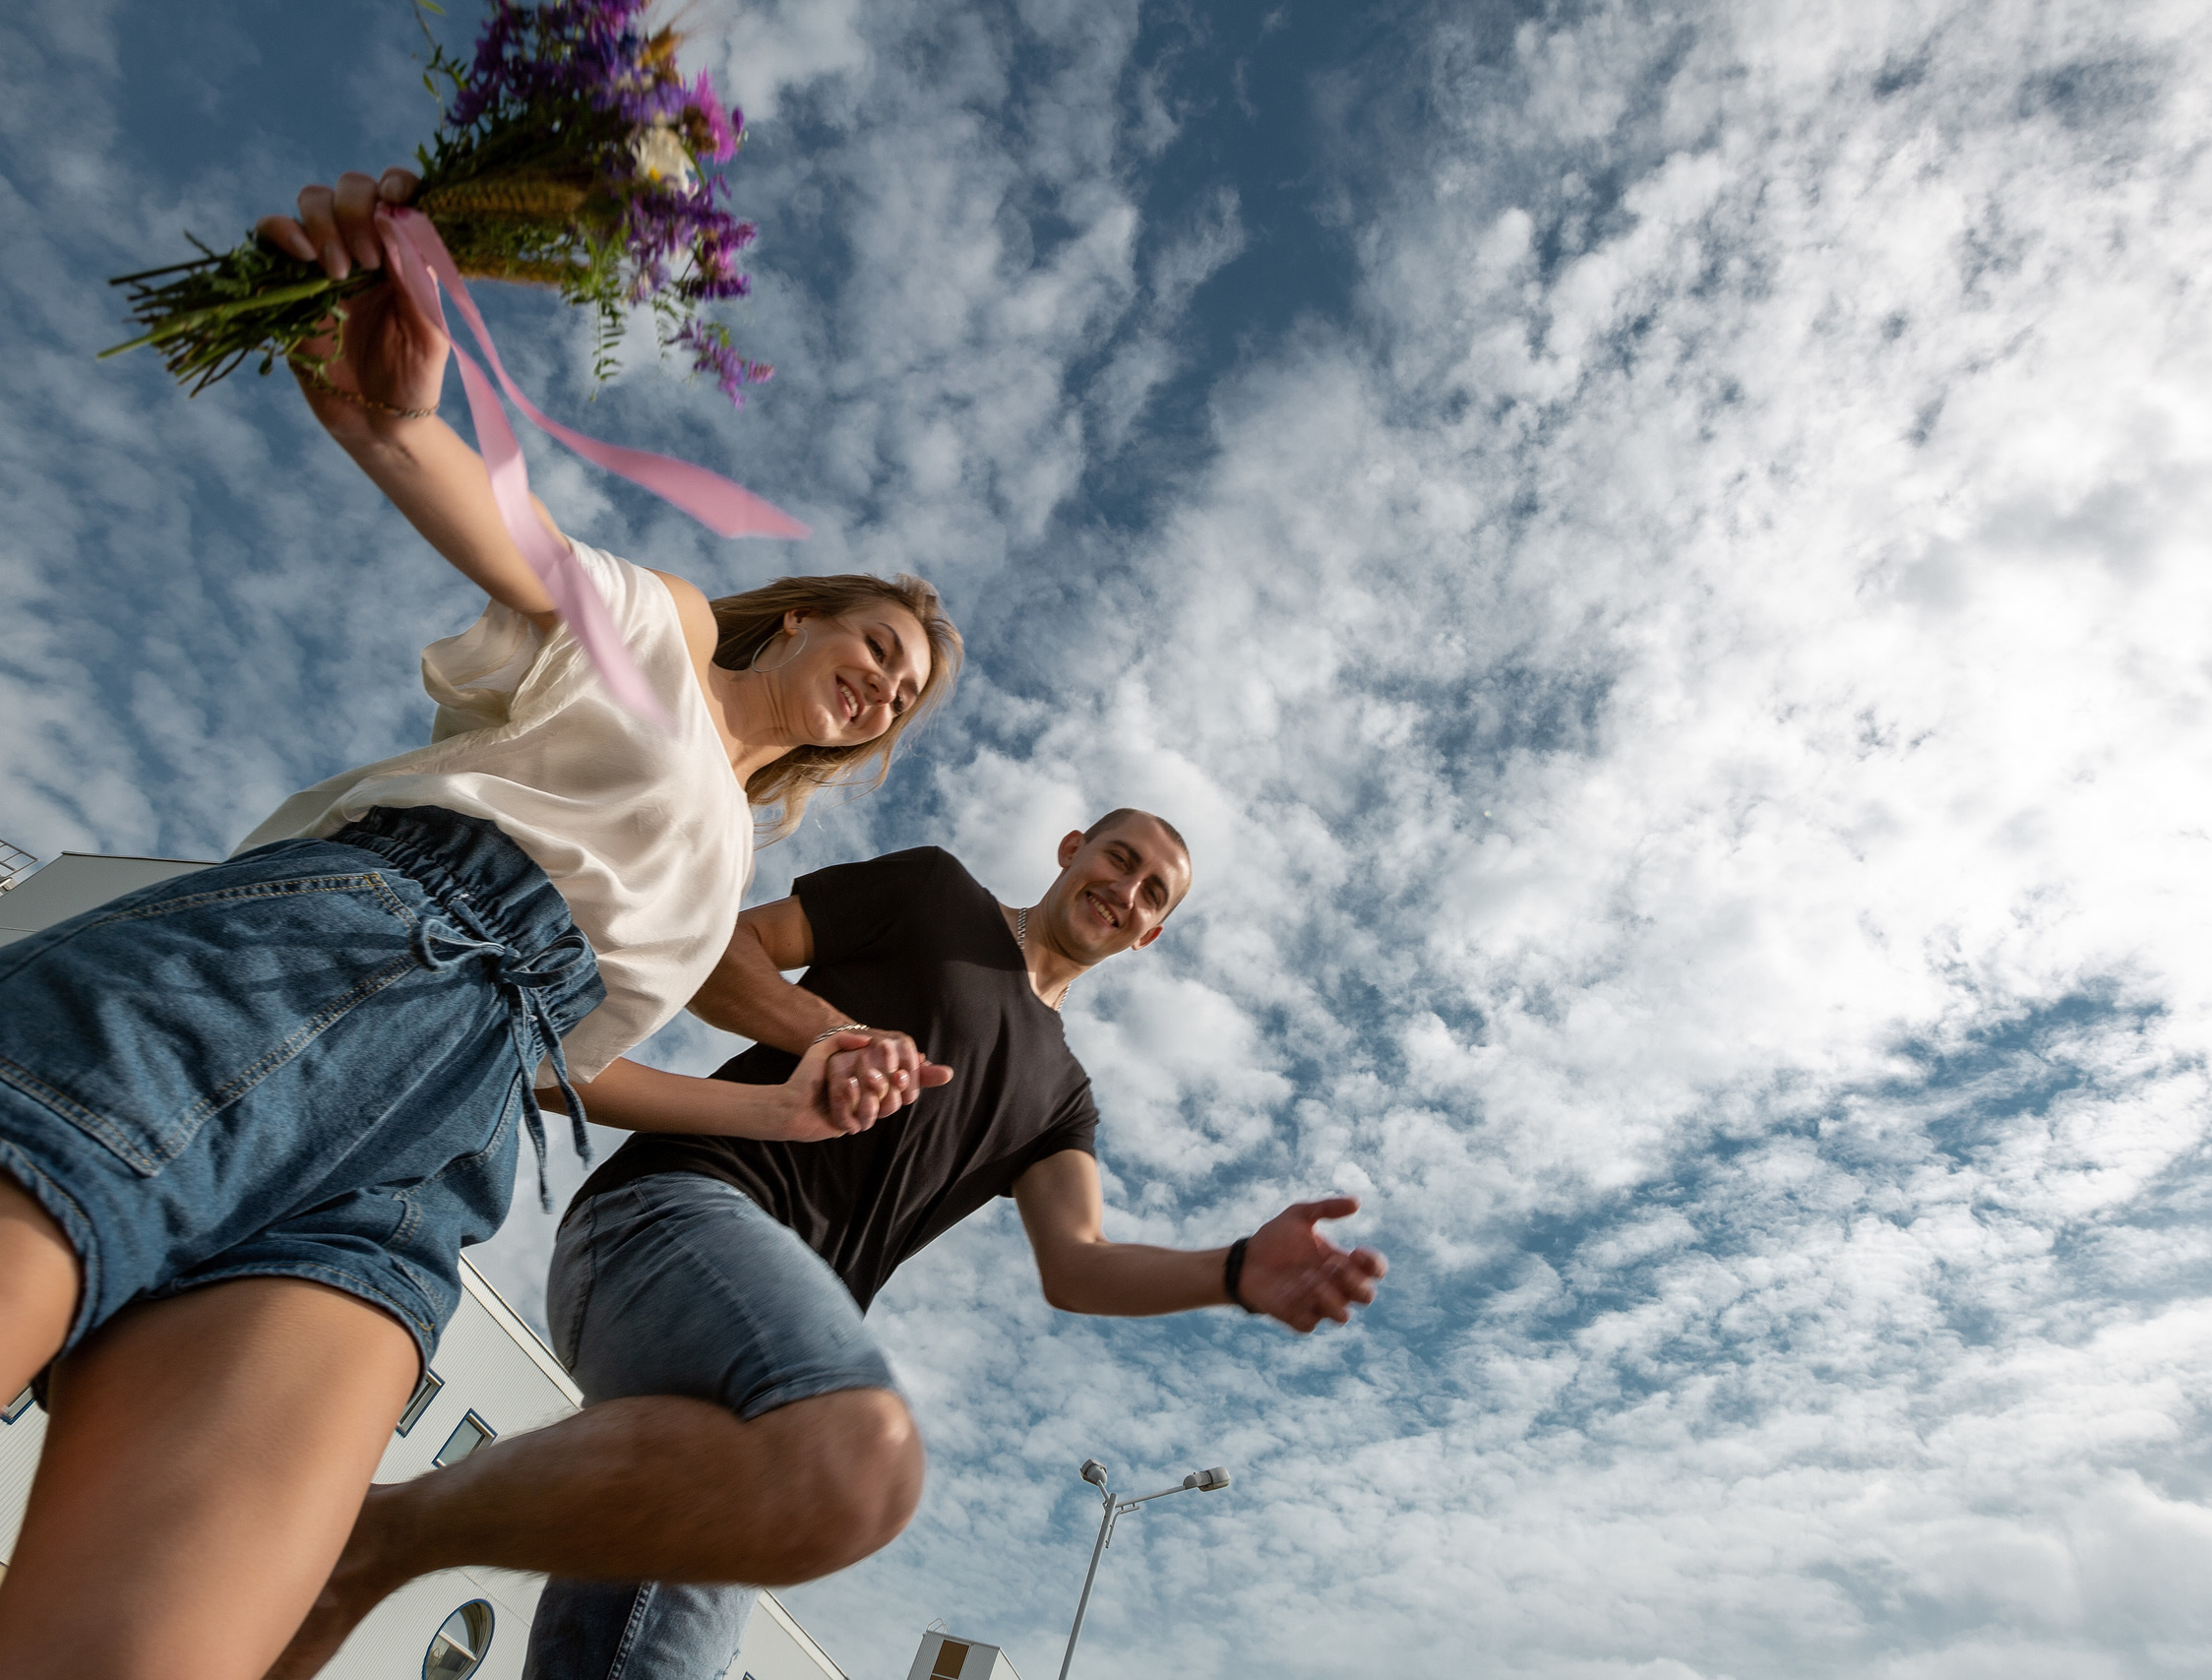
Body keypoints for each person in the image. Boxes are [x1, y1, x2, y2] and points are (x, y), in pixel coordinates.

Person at [0, 169, 959, 1680]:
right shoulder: (656, 629)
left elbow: (569, 1063)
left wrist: (777, 1103)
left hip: (441, 1140)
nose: (887, 687)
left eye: (908, 695)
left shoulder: (722, 868)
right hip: (323, 956)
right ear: (806, 620)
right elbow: (472, 499)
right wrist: (385, 411)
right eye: (883, 647)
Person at [266, 808, 1390, 1680]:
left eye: (1153, 892)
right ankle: (387, 1533)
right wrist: (836, 1031)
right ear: (1070, 847)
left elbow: (1078, 1262)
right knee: (844, 1446)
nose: (1125, 887)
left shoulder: (1064, 1097)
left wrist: (1235, 1272)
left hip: (776, 1352)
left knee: (657, 1649)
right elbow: (724, 954)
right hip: (675, 1214)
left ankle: (341, 1565)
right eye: (1118, 855)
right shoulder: (933, 891)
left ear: (1151, 933)